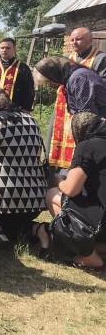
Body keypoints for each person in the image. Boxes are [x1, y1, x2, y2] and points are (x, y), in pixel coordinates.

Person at [0, 86, 49, 252]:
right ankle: (36, 229)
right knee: (11, 223)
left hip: (3, 195)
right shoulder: (31, 119)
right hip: (35, 197)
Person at [46, 112, 106, 269]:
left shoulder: (88, 146)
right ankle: (97, 246)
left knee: (52, 195)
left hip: (103, 220)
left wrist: (58, 180)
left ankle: (88, 254)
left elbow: (71, 189)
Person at [45, 27, 106, 173]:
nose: (74, 42)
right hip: (63, 108)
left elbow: (101, 85)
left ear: (90, 40)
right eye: (72, 39)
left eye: (78, 39)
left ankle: (80, 169)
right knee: (57, 139)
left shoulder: (101, 58)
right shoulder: (66, 58)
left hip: (88, 109)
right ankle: (55, 170)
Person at [33, 55, 106, 117]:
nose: (51, 85)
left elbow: (87, 115)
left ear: (54, 74)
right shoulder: (74, 78)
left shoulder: (78, 78)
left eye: (49, 81)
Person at [0, 38, 34, 112]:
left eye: (8, 48)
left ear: (14, 49)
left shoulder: (22, 68)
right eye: (2, 48)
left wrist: (26, 108)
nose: (4, 50)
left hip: (16, 110)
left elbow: (29, 90)